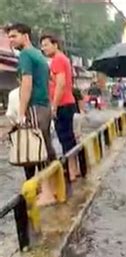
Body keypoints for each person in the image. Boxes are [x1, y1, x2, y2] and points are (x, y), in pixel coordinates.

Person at [6, 23, 56, 205]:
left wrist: (21, 112)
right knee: (45, 147)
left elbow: (26, 84)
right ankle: (48, 188)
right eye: (9, 37)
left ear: (25, 35)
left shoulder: (26, 55)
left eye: (14, 36)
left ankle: (47, 192)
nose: (11, 40)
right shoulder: (39, 55)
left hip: (34, 107)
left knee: (37, 149)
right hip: (44, 106)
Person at [40, 34, 79, 181]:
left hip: (63, 104)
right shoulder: (64, 59)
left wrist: (54, 106)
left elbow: (60, 84)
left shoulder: (57, 60)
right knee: (69, 138)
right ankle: (74, 169)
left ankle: (72, 171)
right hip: (68, 103)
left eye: (46, 44)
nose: (43, 48)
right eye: (42, 46)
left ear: (55, 44)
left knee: (65, 139)